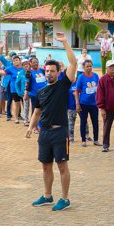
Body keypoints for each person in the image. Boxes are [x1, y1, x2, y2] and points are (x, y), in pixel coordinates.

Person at [26, 33, 78, 211]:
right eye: (47, 71)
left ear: (58, 72)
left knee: (62, 166)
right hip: (44, 133)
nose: (49, 73)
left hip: (59, 132)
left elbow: (73, 63)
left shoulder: (63, 85)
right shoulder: (41, 92)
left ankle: (65, 198)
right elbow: (37, 111)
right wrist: (31, 127)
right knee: (45, 166)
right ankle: (47, 195)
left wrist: (65, 42)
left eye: (52, 71)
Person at [97, 60, 114, 152]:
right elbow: (100, 94)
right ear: (107, 68)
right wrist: (102, 108)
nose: (112, 68)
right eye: (110, 67)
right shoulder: (102, 79)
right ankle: (105, 145)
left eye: (113, 66)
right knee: (107, 127)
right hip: (108, 109)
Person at [74, 59, 101, 147]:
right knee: (83, 122)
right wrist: (77, 104)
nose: (89, 68)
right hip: (84, 104)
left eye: (90, 66)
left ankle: (96, 140)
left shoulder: (96, 76)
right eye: (87, 66)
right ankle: (83, 140)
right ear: (83, 67)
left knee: (95, 122)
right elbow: (77, 91)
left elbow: (99, 89)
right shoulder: (81, 77)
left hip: (94, 104)